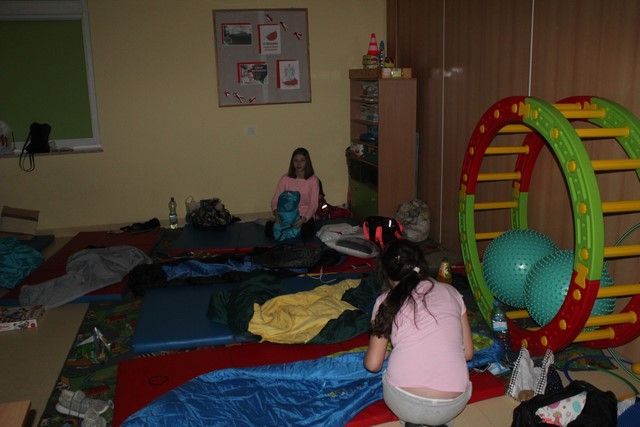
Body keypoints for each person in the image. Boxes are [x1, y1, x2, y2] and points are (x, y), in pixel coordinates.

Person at [364, 240, 474, 427]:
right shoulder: (452, 292)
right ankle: (439, 420)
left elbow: (373, 365)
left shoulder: (385, 301)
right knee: (445, 405)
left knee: (392, 376)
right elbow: (468, 353)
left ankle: (413, 420)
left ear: (387, 274)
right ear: (422, 265)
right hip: (452, 405)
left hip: (405, 402)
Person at [266, 147, 320, 238]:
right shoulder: (285, 179)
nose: (298, 164)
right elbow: (275, 200)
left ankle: (288, 230)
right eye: (296, 160)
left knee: (307, 234)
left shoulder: (313, 180)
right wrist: (277, 215)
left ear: (307, 162)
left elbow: (313, 205)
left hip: (304, 216)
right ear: (292, 162)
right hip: (286, 215)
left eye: (302, 160)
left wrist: (303, 220)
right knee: (269, 232)